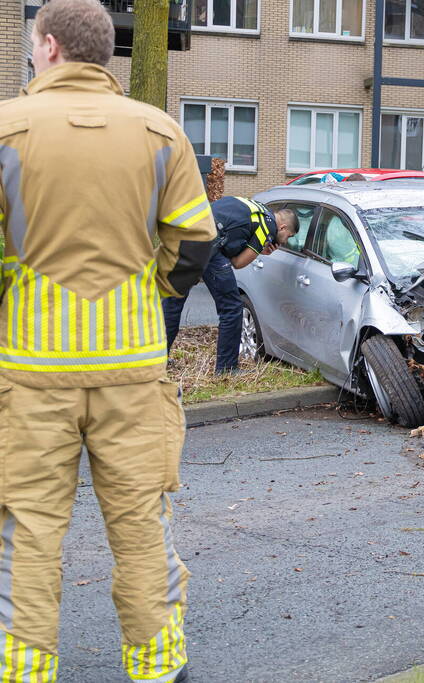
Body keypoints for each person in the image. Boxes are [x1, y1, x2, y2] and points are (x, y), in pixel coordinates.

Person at [0, 0, 217, 680]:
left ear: (50, 48)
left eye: (34, 44)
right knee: (142, 524)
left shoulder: (6, 129)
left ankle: (22, 669)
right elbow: (195, 239)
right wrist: (149, 294)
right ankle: (159, 668)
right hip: (132, 369)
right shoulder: (160, 132)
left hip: (31, 369)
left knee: (27, 531)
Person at [162, 197, 297, 373]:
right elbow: (238, 262)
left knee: (173, 301)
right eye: (289, 236)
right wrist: (260, 250)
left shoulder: (256, 207)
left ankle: (156, 359)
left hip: (188, 231)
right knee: (232, 307)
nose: (285, 241)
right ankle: (226, 367)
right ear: (283, 227)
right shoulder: (268, 227)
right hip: (207, 243)